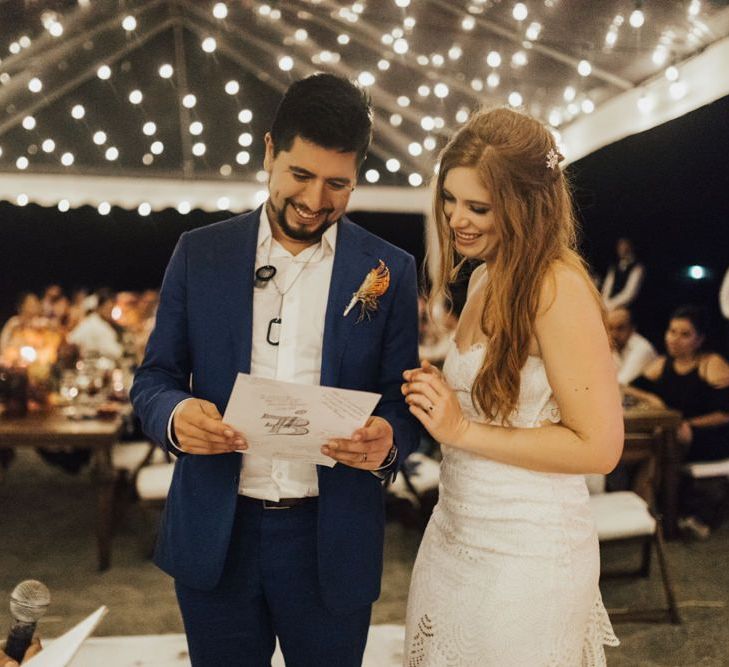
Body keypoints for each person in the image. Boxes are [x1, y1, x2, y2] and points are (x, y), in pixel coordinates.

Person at [131, 73, 420, 666]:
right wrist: (177, 415)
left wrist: (389, 441)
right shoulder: (199, 253)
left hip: (331, 539)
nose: (316, 202)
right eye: (301, 175)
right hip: (220, 534)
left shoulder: (390, 269)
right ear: (269, 152)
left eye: (337, 184)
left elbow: (401, 399)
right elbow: (153, 378)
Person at [401, 107, 623, 665]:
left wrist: (461, 429)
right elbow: (488, 401)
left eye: (479, 206)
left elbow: (599, 448)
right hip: (454, 529)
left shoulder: (557, 289)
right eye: (450, 200)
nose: (457, 220)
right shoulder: (481, 279)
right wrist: (439, 396)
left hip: (528, 551)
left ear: (528, 205)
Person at [628, 305, 729, 538]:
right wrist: (652, 397)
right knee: (659, 444)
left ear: (700, 339)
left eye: (685, 334)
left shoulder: (710, 363)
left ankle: (659, 516)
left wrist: (689, 424)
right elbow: (628, 388)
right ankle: (657, 516)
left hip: (712, 435)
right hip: (676, 433)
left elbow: (725, 413)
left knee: (664, 442)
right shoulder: (662, 364)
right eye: (672, 332)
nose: (675, 339)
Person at [606, 306, 657, 385]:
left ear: (632, 328)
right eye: (610, 328)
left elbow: (622, 383)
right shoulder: (613, 345)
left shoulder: (642, 348)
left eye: (620, 328)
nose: (614, 334)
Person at [67, 289, 123, 360]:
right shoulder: (92, 322)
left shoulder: (102, 323)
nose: (109, 312)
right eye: (107, 308)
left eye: (111, 309)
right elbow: (72, 339)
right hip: (92, 365)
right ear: (99, 307)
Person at [601, 237, 644, 310]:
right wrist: (604, 302)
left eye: (624, 245)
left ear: (630, 247)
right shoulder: (614, 266)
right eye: (620, 246)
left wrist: (611, 305)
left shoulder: (637, 267)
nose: (621, 248)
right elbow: (607, 287)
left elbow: (629, 294)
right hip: (609, 305)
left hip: (626, 308)